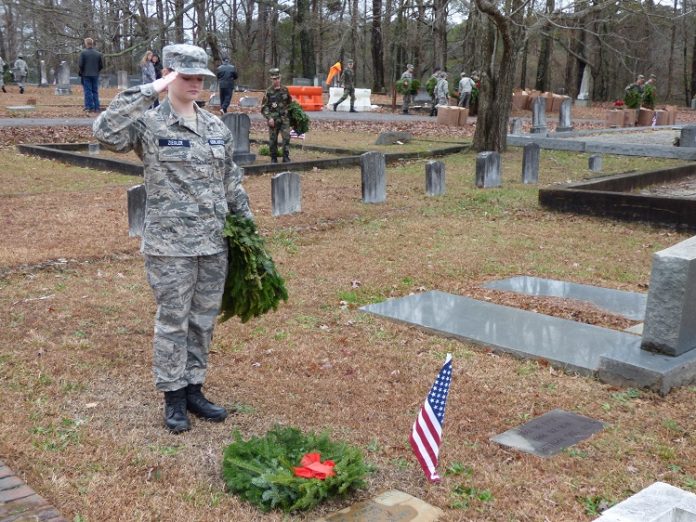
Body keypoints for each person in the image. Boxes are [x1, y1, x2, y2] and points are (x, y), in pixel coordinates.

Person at [93, 43, 253, 433]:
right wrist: (151, 88)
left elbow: (230, 179)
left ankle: (194, 388)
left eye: (201, 77)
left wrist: (247, 228)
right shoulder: (149, 124)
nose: (196, 83)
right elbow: (105, 132)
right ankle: (173, 397)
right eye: (187, 76)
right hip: (170, 246)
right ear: (169, 74)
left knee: (202, 321)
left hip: (214, 242)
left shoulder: (215, 127)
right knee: (173, 321)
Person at [261, 68, 292, 163]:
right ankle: (273, 157)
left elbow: (289, 104)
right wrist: (269, 118)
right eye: (274, 79)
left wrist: (291, 117)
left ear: (280, 78)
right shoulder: (268, 92)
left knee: (286, 138)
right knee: (273, 140)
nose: (276, 80)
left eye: (278, 78)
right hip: (273, 120)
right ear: (271, 79)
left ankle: (285, 157)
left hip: (284, 119)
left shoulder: (285, 90)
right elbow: (264, 107)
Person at [78, 38, 104, 112]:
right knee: (95, 91)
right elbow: (101, 65)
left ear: (86, 43)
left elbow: (80, 64)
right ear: (92, 44)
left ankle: (89, 107)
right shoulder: (98, 54)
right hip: (95, 74)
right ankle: (97, 107)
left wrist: (82, 72)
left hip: (86, 74)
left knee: (87, 91)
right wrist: (96, 71)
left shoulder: (83, 53)